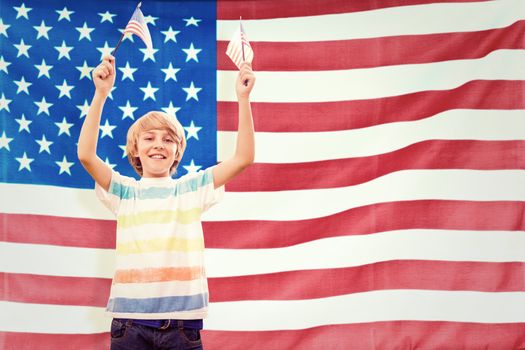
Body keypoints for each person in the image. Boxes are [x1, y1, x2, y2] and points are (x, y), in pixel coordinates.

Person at [77, 55, 255, 350]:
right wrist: (100, 93)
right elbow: (85, 155)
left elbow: (243, 158)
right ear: (135, 149)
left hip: (183, 327)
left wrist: (243, 97)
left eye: (168, 139)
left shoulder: (192, 189)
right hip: (129, 325)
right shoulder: (125, 192)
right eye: (149, 138)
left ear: (178, 150)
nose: (158, 144)